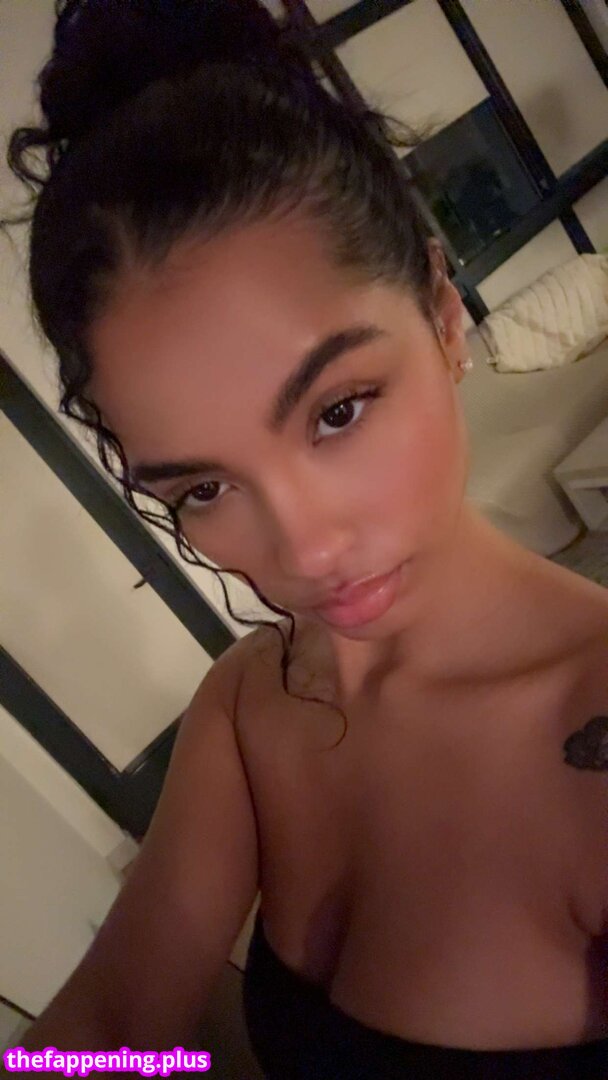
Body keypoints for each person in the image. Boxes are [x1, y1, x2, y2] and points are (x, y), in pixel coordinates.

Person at [4, 1, 608, 1077]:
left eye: (337, 411)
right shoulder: (250, 701)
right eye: (204, 487)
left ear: (443, 315)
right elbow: (116, 1030)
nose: (306, 550)